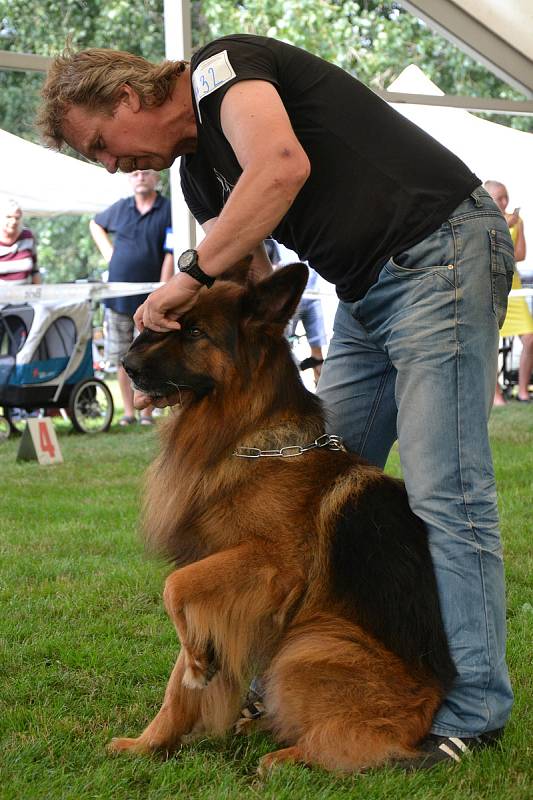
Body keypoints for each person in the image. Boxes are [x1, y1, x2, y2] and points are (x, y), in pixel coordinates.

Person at [39, 35, 515, 767]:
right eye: (98, 161)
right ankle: (274, 682)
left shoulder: (222, 72)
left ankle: (475, 709)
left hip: (438, 252)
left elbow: (280, 167)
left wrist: (188, 271)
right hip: (363, 292)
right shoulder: (199, 180)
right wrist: (191, 366)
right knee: (300, 489)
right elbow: (250, 296)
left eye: (101, 143)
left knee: (443, 491)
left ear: (127, 97)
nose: (110, 164)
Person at [90, 169, 174, 426]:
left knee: (147, 356)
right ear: (129, 179)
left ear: (156, 178)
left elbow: (170, 250)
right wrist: (110, 254)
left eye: (145, 173)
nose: (140, 177)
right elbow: (95, 224)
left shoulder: (168, 209)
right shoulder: (120, 208)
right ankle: (128, 413)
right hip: (117, 299)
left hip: (150, 300)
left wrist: (163, 289)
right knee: (120, 357)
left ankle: (146, 413)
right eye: (135, 174)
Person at [483, 180, 533, 404]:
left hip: (514, 286)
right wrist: (503, 224)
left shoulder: (517, 220)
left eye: (506, 196)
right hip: (491, 286)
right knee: (489, 341)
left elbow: (520, 255)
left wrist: (515, 226)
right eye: (499, 198)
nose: (504, 202)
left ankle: (522, 390)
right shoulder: (483, 220)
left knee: (530, 338)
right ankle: (495, 394)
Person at [265, 239, 326, 384]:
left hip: (312, 296)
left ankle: (320, 385)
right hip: (287, 300)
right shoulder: (272, 242)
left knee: (318, 355)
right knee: (283, 349)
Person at [0, 198, 41, 285]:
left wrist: (38, 295)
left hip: (25, 296)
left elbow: (35, 271)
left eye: (17, 218)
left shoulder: (28, 236)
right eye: (8, 217)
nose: (13, 221)